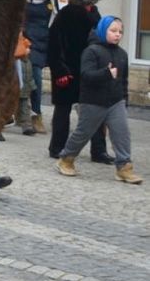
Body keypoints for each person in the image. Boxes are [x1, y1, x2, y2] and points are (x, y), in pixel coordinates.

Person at [56, 17, 142, 184]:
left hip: (116, 102)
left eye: (120, 32)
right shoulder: (91, 51)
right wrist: (106, 73)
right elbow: (86, 76)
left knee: (122, 133)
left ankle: (124, 167)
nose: (117, 35)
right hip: (92, 102)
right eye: (113, 31)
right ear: (103, 31)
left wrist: (124, 100)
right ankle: (66, 159)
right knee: (83, 133)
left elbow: (123, 81)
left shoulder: (122, 54)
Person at [47, 0, 110, 162]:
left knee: (96, 110)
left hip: (89, 69)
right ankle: (57, 147)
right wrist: (60, 69)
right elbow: (54, 42)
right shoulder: (67, 13)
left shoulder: (95, 14)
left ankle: (98, 151)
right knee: (63, 109)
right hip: (67, 69)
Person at [24, 0, 54, 133]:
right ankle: (22, 114)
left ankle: (36, 114)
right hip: (25, 41)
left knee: (36, 78)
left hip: (43, 42)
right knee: (20, 78)